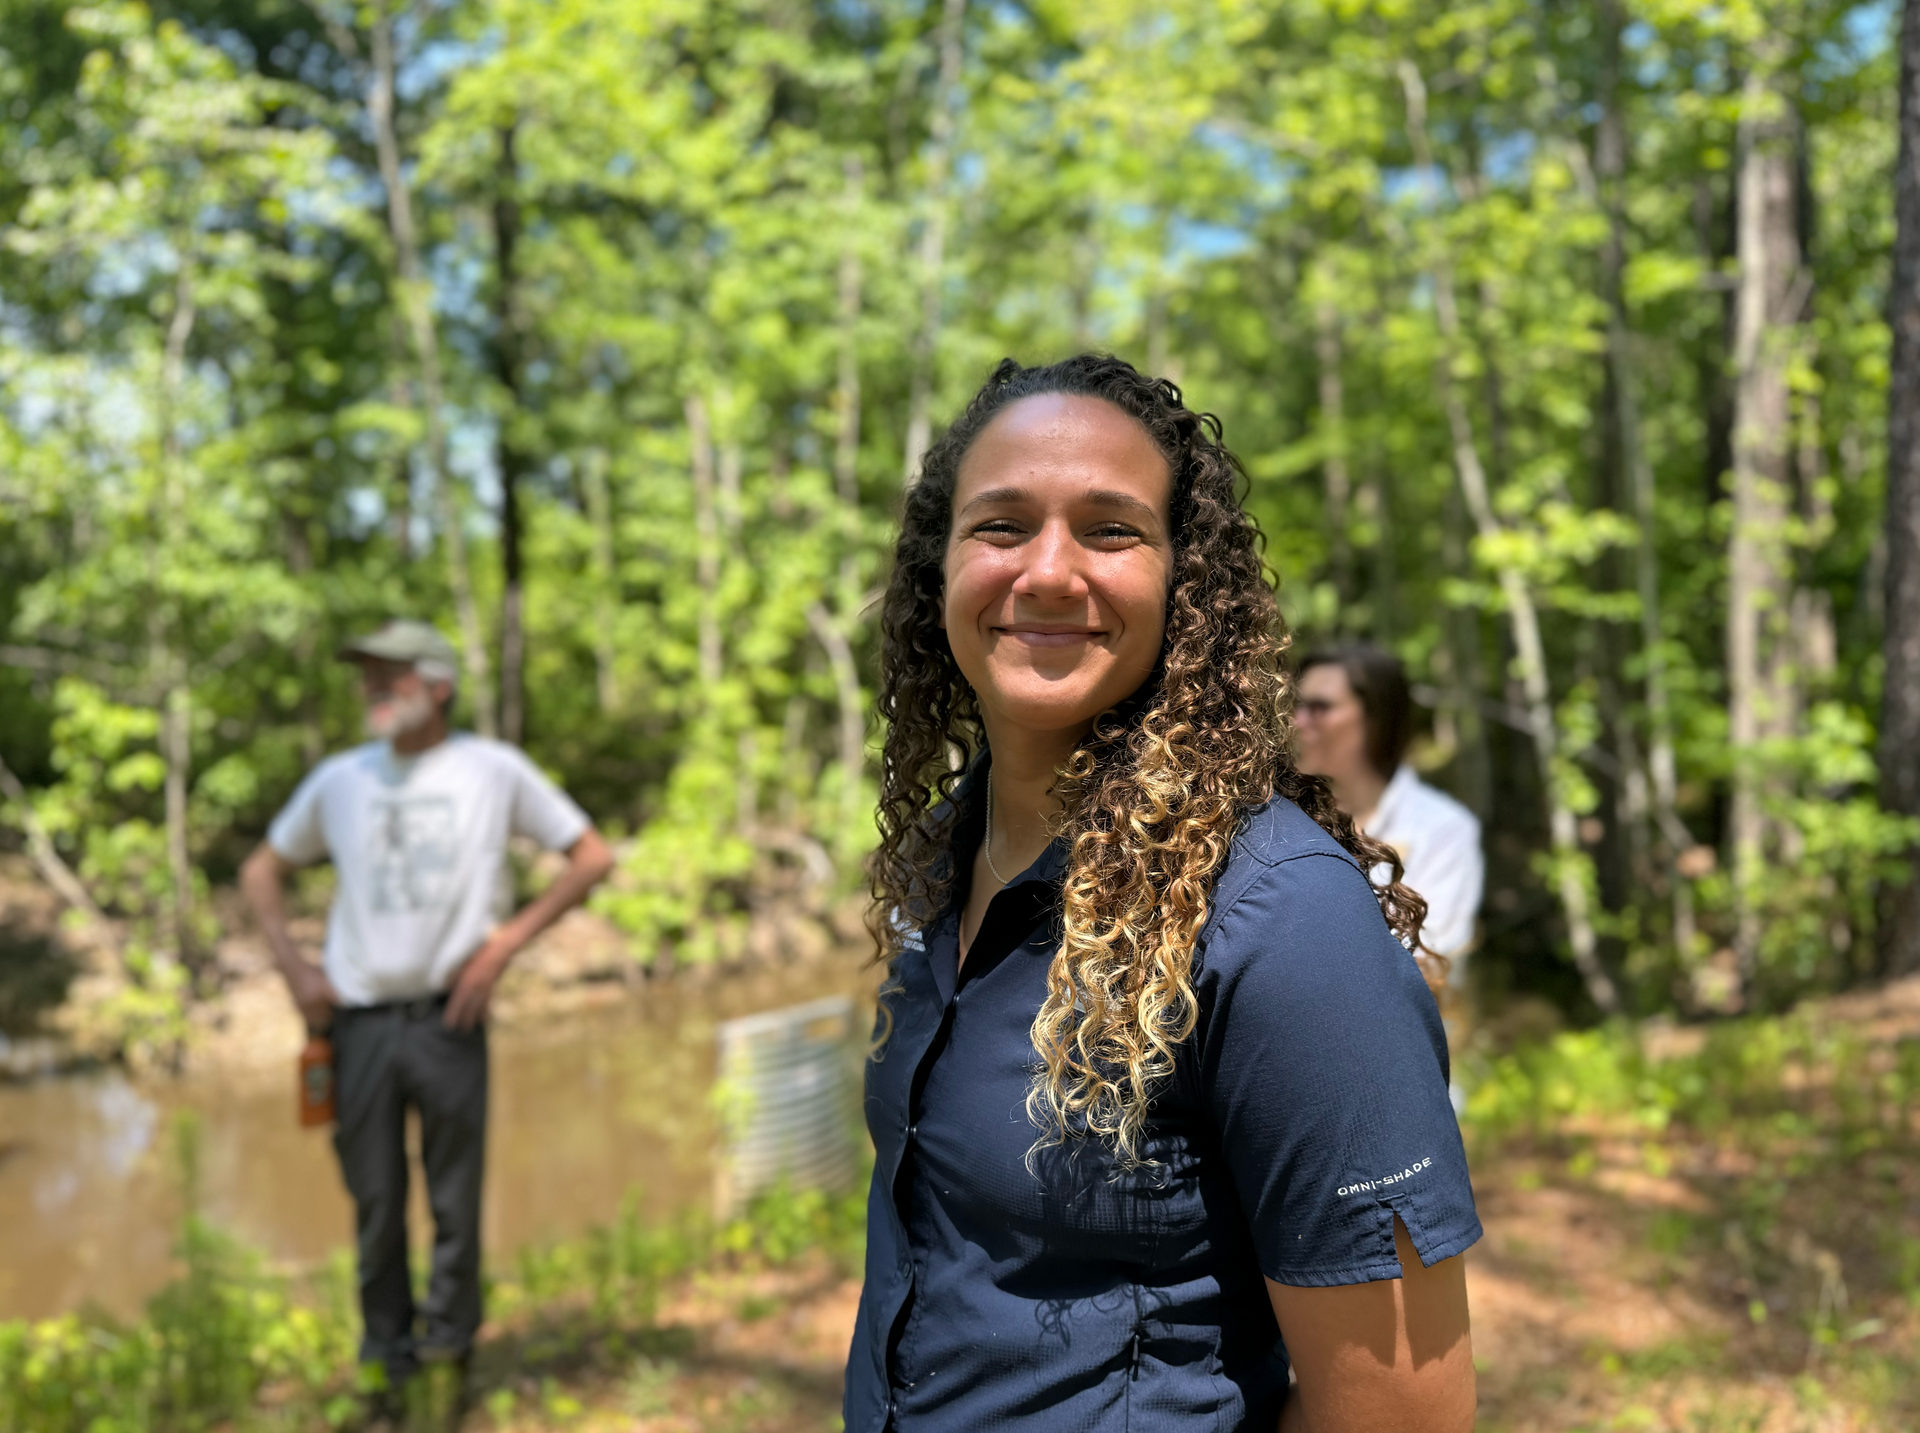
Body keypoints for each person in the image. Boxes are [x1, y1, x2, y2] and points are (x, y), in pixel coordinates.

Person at [846, 356, 1478, 1433]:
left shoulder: (1279, 915)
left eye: (1110, 529)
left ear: (1185, 584)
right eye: (999, 525)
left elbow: (1401, 1410)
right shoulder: (947, 856)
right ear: (935, 570)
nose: (1047, 570)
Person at [240, 620, 614, 1421]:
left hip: (450, 1016)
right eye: (367, 673)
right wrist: (295, 970)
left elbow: (592, 855)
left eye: (392, 673)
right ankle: (386, 1362)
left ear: (439, 685)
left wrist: (503, 946)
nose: (374, 686)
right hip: (357, 1022)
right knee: (375, 1200)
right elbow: (260, 869)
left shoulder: (491, 769)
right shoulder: (339, 779)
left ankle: (452, 1352)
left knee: (454, 1197)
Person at [1292, 645, 1485, 974]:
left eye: (1319, 707)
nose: (1297, 721)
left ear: (1377, 718)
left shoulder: (1441, 828)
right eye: (1295, 705)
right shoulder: (1276, 817)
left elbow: (1431, 960)